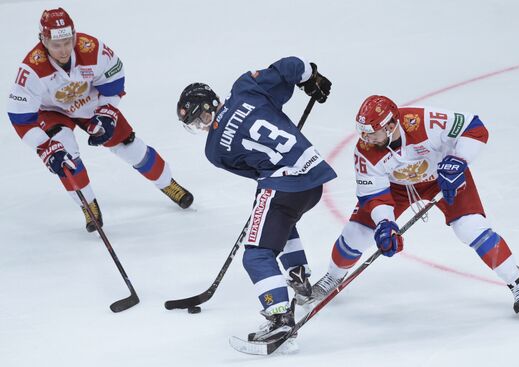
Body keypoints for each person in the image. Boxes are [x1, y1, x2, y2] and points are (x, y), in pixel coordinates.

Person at [307, 95, 519, 320]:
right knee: (357, 234)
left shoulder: (425, 122)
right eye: (363, 132)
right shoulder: (365, 151)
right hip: (395, 188)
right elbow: (374, 196)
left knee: (470, 228)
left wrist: (458, 161)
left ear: (390, 126)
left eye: (371, 133)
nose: (365, 139)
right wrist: (385, 223)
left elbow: (474, 126)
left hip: (443, 178)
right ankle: (332, 278)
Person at [176, 57, 336, 342]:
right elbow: (290, 65)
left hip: (284, 185)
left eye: (200, 118)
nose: (202, 126)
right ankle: (299, 279)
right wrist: (311, 77)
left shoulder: (213, 150)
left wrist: (265, 197)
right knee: (280, 221)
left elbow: (256, 172)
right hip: (313, 176)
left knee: (256, 255)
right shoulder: (245, 87)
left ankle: (280, 319)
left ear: (211, 105)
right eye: (195, 124)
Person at [7, 8, 193, 232]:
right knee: (66, 156)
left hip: (89, 102)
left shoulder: (91, 48)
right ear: (43, 40)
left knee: (129, 146)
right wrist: (45, 147)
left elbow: (114, 80)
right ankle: (88, 205)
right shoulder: (31, 69)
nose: (64, 50)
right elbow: (21, 117)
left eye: (67, 41)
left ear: (74, 35)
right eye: (56, 45)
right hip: (50, 111)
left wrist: (107, 113)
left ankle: (168, 184)